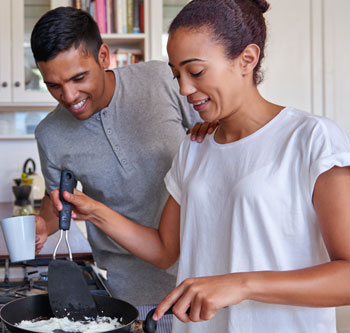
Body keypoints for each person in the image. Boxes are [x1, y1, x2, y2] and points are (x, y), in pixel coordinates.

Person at [48, 0, 350, 332]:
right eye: (177, 74)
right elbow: (164, 251)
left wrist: (241, 284)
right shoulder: (194, 148)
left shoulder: (310, 139)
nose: (183, 89)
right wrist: (92, 210)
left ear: (247, 59)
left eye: (196, 72)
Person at [31, 5, 215, 319]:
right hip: (127, 292)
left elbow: (215, 136)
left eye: (78, 78)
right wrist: (41, 225)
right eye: (54, 85)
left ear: (104, 56)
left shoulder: (160, 79)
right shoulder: (50, 134)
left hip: (205, 274)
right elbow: (57, 204)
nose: (69, 95)